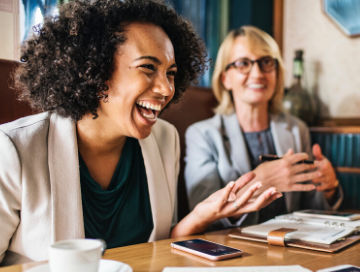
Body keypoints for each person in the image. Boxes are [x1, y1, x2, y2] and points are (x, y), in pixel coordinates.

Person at [0, 1, 282, 266]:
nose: (166, 89)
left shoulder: (165, 139)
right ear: (95, 70)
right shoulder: (13, 149)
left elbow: (156, 246)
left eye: (170, 73)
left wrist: (200, 215)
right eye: (148, 67)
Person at [185, 26, 342, 230]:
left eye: (266, 62)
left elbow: (311, 210)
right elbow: (204, 216)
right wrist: (261, 182)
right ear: (226, 78)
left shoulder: (296, 129)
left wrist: (329, 187)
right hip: (234, 253)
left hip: (290, 247)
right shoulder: (202, 135)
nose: (258, 73)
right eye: (243, 63)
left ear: (276, 72)